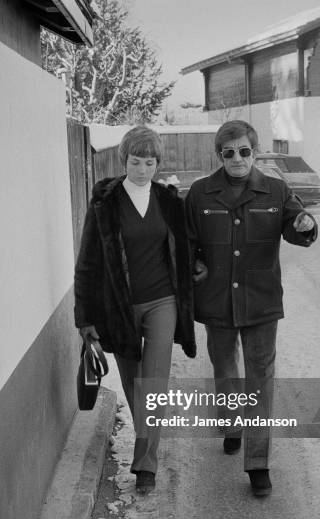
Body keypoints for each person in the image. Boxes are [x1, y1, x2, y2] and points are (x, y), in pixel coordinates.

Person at [185, 120, 318, 496]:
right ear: (220, 156)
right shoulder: (199, 193)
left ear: (254, 152)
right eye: (229, 153)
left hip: (260, 300)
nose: (237, 159)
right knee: (225, 370)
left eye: (244, 151)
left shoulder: (275, 189)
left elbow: (296, 225)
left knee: (260, 379)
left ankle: (258, 463)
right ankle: (231, 424)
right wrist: (194, 263)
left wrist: (305, 225)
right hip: (217, 300)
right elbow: (187, 241)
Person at [74, 126, 203, 494]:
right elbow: (87, 263)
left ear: (157, 164)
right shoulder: (105, 204)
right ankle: (146, 444)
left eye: (150, 162)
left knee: (155, 382)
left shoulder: (168, 202)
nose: (143, 169)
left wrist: (197, 266)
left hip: (163, 301)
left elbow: (186, 246)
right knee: (134, 385)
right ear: (124, 160)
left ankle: (146, 463)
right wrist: (85, 318)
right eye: (136, 161)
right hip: (119, 307)